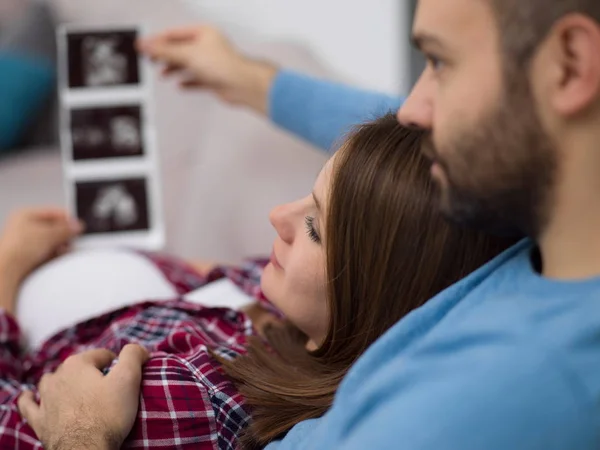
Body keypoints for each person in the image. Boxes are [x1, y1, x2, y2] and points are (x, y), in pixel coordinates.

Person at [22, 0, 600, 448]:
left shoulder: (471, 407)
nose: (412, 107)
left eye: (441, 62)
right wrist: (252, 80)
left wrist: (80, 435)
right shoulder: (526, 225)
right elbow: (406, 162)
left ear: (570, 64)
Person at [0, 115, 515, 449]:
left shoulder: (178, 400)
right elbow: (216, 275)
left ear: (372, 292)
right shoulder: (289, 304)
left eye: (313, 227)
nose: (277, 216)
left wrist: (7, 269)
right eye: (308, 196)